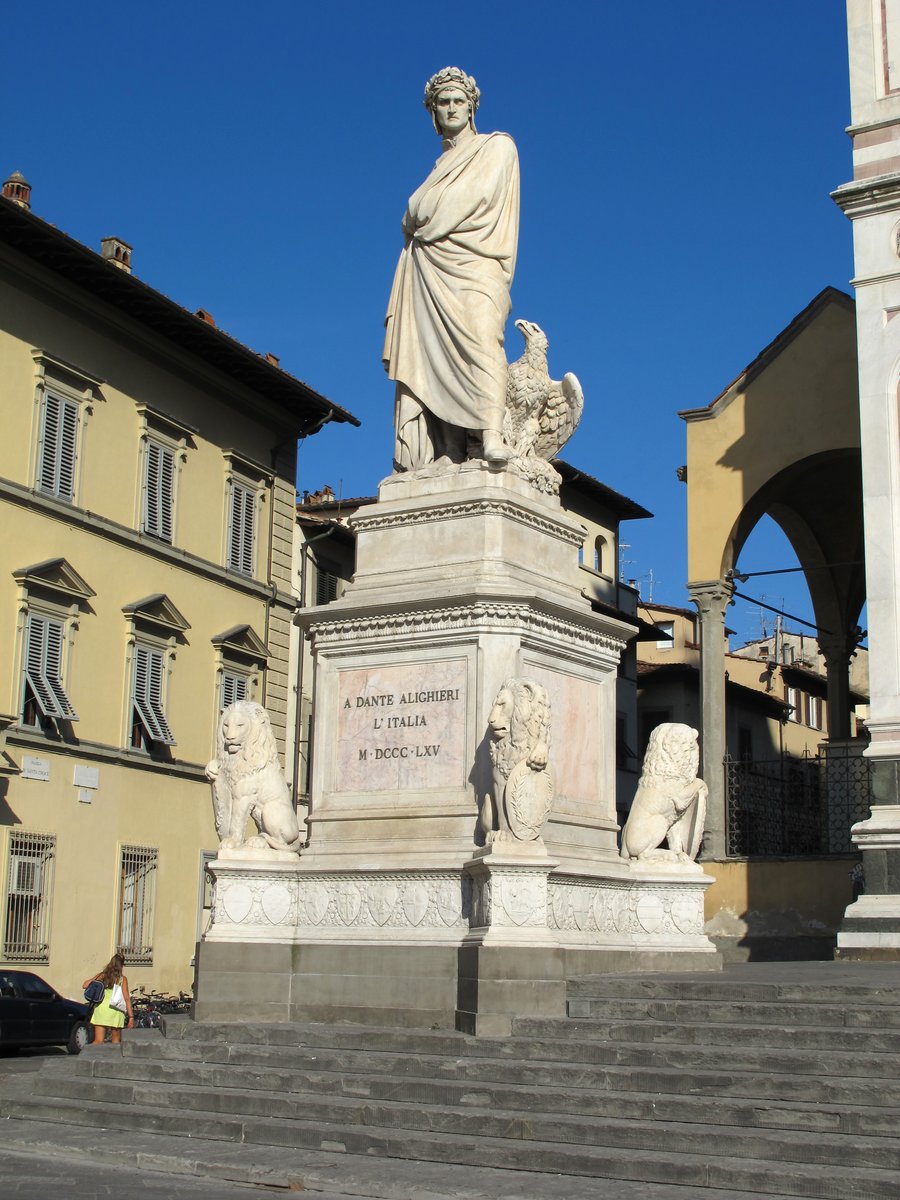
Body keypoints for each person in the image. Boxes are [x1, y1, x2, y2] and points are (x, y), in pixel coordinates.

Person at [384, 66, 520, 471]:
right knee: (429, 357)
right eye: (443, 102)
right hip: (428, 271)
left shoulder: (497, 148)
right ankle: (448, 452)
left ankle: (492, 433)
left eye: (459, 100)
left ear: (472, 107)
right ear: (433, 113)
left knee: (482, 341)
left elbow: (470, 199)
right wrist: (418, 214)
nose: (452, 108)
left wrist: (419, 214)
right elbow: (417, 211)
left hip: (477, 265)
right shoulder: (438, 168)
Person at [82, 952, 134, 1045]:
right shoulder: (122, 979)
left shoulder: (102, 975)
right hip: (116, 1010)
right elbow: (126, 998)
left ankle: (90, 1056)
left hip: (101, 1009)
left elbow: (85, 985)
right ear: (121, 966)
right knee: (115, 1042)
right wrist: (131, 1017)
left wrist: (96, 979)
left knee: (98, 1041)